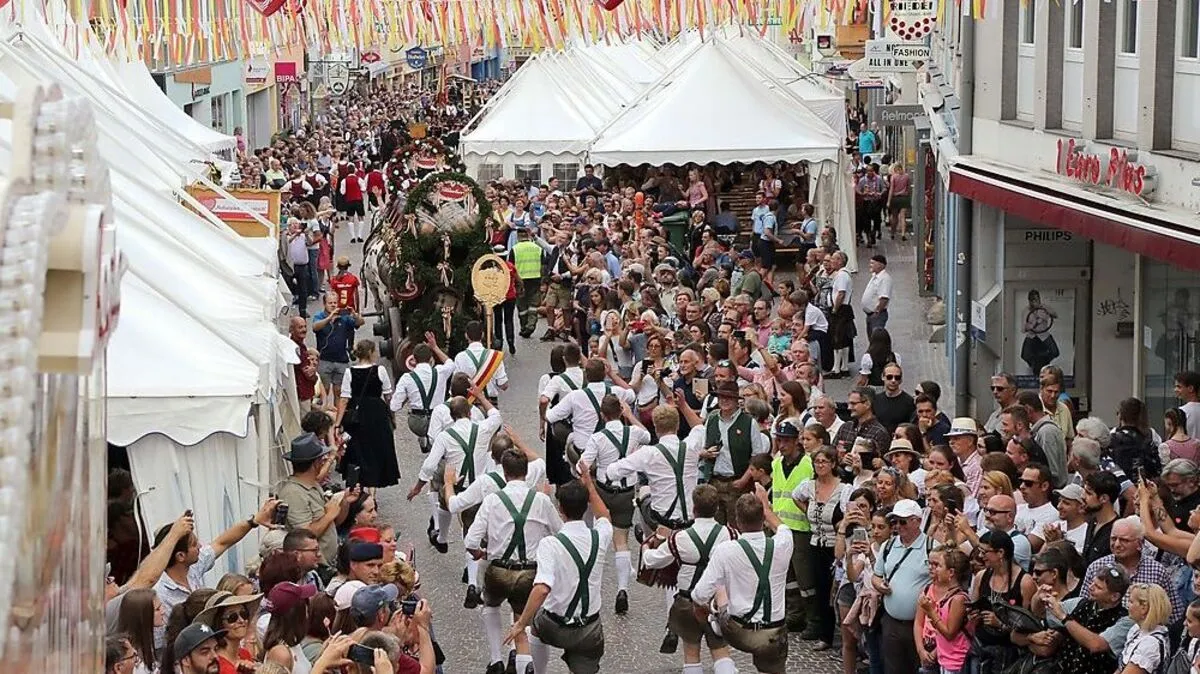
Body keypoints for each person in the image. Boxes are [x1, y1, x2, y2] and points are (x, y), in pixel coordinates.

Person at [464, 448, 564, 674]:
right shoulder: (540, 500)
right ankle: (522, 666)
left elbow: (471, 541)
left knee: (490, 605)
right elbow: (560, 532)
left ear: (505, 472)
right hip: (529, 572)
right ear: (526, 472)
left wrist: (481, 553)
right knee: (522, 622)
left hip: (498, 570)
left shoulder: (492, 501)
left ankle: (496, 658)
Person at [503, 470, 613, 674]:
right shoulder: (600, 536)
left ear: (560, 509)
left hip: (554, 625)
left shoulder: (550, 544)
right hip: (588, 627)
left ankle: (538, 670)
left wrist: (520, 623)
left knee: (535, 628)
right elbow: (604, 515)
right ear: (585, 505)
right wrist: (590, 486)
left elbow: (542, 589)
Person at [693, 489, 792, 674]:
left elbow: (699, 595)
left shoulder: (725, 550)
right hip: (774, 633)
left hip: (738, 631)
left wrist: (710, 608)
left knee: (718, 585)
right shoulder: (784, 543)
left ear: (737, 522)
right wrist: (766, 507)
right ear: (763, 520)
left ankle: (715, 635)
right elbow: (782, 527)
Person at [641, 484, 737, 674]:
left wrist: (646, 547)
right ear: (717, 508)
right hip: (717, 602)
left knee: (691, 652)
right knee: (720, 650)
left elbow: (651, 561)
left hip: (687, 601)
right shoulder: (731, 534)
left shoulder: (680, 538)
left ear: (693, 509)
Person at [577, 394, 653, 614]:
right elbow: (648, 436)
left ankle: (590, 585)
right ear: (620, 412)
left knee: (597, 536)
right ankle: (622, 589)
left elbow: (584, 465)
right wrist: (631, 416)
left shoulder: (598, 438)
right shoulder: (634, 433)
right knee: (622, 541)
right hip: (626, 492)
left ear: (602, 414)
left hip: (603, 491)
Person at [152, 498, 279, 613]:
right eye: (194, 544)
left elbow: (222, 542)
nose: (200, 546)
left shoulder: (193, 567)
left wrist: (254, 521)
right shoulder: (160, 594)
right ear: (180, 556)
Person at [792, 445, 849, 649]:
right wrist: (807, 510)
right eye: (817, 462)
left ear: (833, 464)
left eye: (824, 462)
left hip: (836, 547)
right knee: (821, 590)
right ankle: (825, 635)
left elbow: (847, 515)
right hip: (816, 543)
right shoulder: (809, 486)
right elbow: (795, 496)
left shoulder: (843, 489)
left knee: (838, 591)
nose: (820, 465)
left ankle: (844, 637)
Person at [871, 499, 931, 674]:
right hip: (891, 621)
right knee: (892, 668)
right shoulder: (888, 545)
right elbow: (877, 575)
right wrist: (879, 585)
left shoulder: (931, 547)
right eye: (894, 521)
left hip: (920, 624)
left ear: (917, 521)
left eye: (903, 521)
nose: (898, 526)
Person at [275, 432, 351, 569]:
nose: (324, 461)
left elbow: (335, 522)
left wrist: (345, 502)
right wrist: (329, 515)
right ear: (316, 463)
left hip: (328, 563)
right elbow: (304, 536)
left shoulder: (314, 485)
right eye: (322, 458)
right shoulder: (293, 493)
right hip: (316, 567)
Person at [1039, 565, 1134, 674]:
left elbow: (1096, 645)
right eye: (1092, 583)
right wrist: (1040, 598)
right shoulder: (1080, 603)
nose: (1090, 587)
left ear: (1114, 597)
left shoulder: (1126, 620)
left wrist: (1064, 617)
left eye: (1098, 587)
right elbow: (1042, 613)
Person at [336, 339, 400, 489]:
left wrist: (338, 423)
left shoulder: (349, 372)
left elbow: (344, 399)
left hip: (357, 415)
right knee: (377, 449)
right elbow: (388, 396)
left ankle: (359, 484)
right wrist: (392, 417)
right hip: (377, 413)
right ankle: (373, 489)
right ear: (371, 353)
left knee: (358, 449)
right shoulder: (380, 370)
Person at [390, 335, 455, 453]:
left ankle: (424, 437)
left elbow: (394, 406)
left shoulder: (407, 378)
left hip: (417, 422)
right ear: (430, 358)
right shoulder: (440, 371)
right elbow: (451, 363)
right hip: (439, 418)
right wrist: (435, 347)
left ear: (413, 359)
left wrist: (407, 397)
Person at [914, 548, 970, 674]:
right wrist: (921, 649)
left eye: (938, 565)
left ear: (951, 572)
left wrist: (930, 611)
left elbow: (949, 633)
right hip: (944, 657)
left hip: (954, 660)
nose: (933, 568)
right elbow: (918, 622)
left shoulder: (958, 599)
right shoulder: (929, 590)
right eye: (930, 564)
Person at [313, 293, 363, 399]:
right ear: (324, 304)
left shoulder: (344, 318)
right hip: (324, 360)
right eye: (330, 303)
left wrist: (355, 315)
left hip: (341, 360)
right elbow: (315, 327)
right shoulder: (319, 316)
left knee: (340, 392)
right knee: (323, 391)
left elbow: (360, 323)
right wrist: (329, 318)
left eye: (335, 303)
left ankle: (338, 413)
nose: (333, 305)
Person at [1117, 584, 1172, 674]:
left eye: (1131, 602)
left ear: (1144, 608)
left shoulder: (1150, 643)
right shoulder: (1136, 630)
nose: (1127, 605)